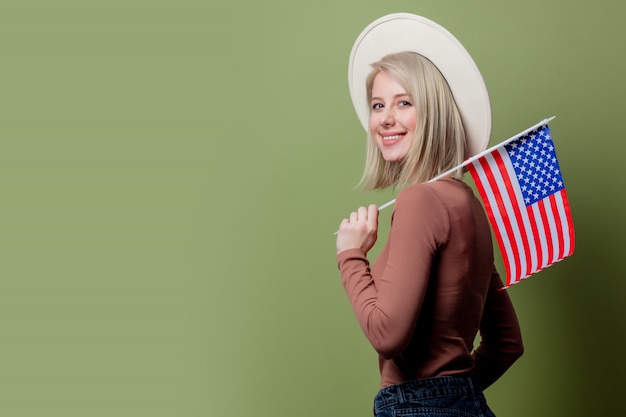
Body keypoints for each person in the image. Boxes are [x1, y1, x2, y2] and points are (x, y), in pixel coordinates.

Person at [335, 13, 524, 417]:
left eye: (404, 103)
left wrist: (351, 256)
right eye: (378, 105)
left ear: (434, 111)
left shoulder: (419, 201)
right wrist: (456, 393)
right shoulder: (469, 204)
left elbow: (387, 334)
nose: (385, 117)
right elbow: (507, 343)